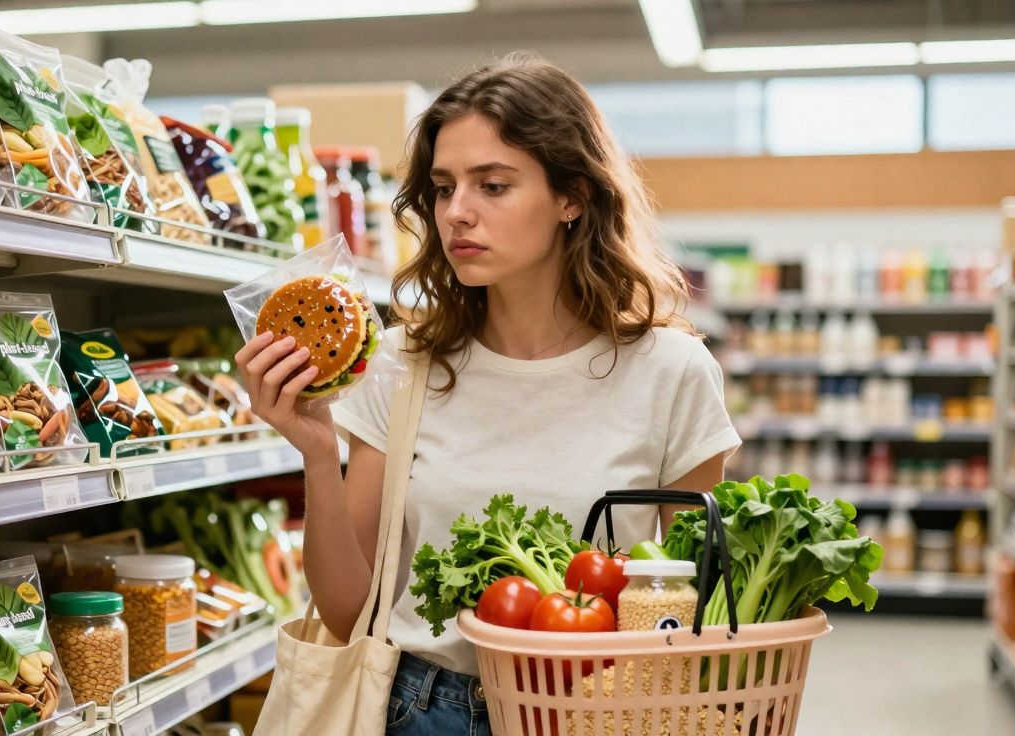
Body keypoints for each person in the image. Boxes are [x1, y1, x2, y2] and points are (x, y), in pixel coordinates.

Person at [234, 52, 741, 736]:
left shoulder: (671, 372)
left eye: (493, 186)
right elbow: (351, 611)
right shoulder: (401, 364)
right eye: (444, 188)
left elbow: (689, 611)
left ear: (573, 197)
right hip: (421, 709)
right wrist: (319, 454)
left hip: (595, 711)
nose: (457, 213)